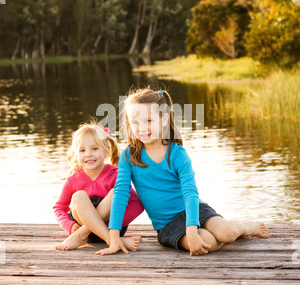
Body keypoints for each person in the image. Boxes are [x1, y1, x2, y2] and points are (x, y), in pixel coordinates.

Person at [98, 87, 269, 257]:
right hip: (167, 225)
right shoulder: (129, 156)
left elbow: (190, 193)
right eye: (135, 122)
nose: (141, 128)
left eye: (149, 120)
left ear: (164, 119)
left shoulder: (177, 154)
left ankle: (245, 227)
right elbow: (121, 192)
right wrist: (114, 236)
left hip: (194, 209)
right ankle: (209, 232)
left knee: (227, 233)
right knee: (207, 242)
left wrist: (192, 229)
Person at [54, 121, 144, 251]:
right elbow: (59, 208)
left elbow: (136, 203)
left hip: (112, 228)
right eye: (82, 150)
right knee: (79, 196)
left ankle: (84, 236)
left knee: (116, 192)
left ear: (106, 151)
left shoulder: (115, 175)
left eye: (95, 148)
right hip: (81, 226)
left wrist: (113, 224)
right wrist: (70, 226)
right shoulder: (73, 179)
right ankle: (112, 241)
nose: (88, 154)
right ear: (76, 154)